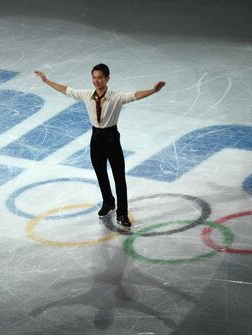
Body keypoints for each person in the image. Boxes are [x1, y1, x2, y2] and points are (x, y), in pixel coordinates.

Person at [34, 64, 165, 228]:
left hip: (111, 138)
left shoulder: (116, 97)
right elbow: (66, 90)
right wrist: (46, 80)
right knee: (100, 173)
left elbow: (135, 95)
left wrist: (153, 90)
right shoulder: (87, 94)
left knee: (119, 177)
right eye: (94, 77)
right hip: (95, 138)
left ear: (107, 79)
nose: (96, 81)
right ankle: (108, 202)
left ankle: (122, 213)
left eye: (100, 77)